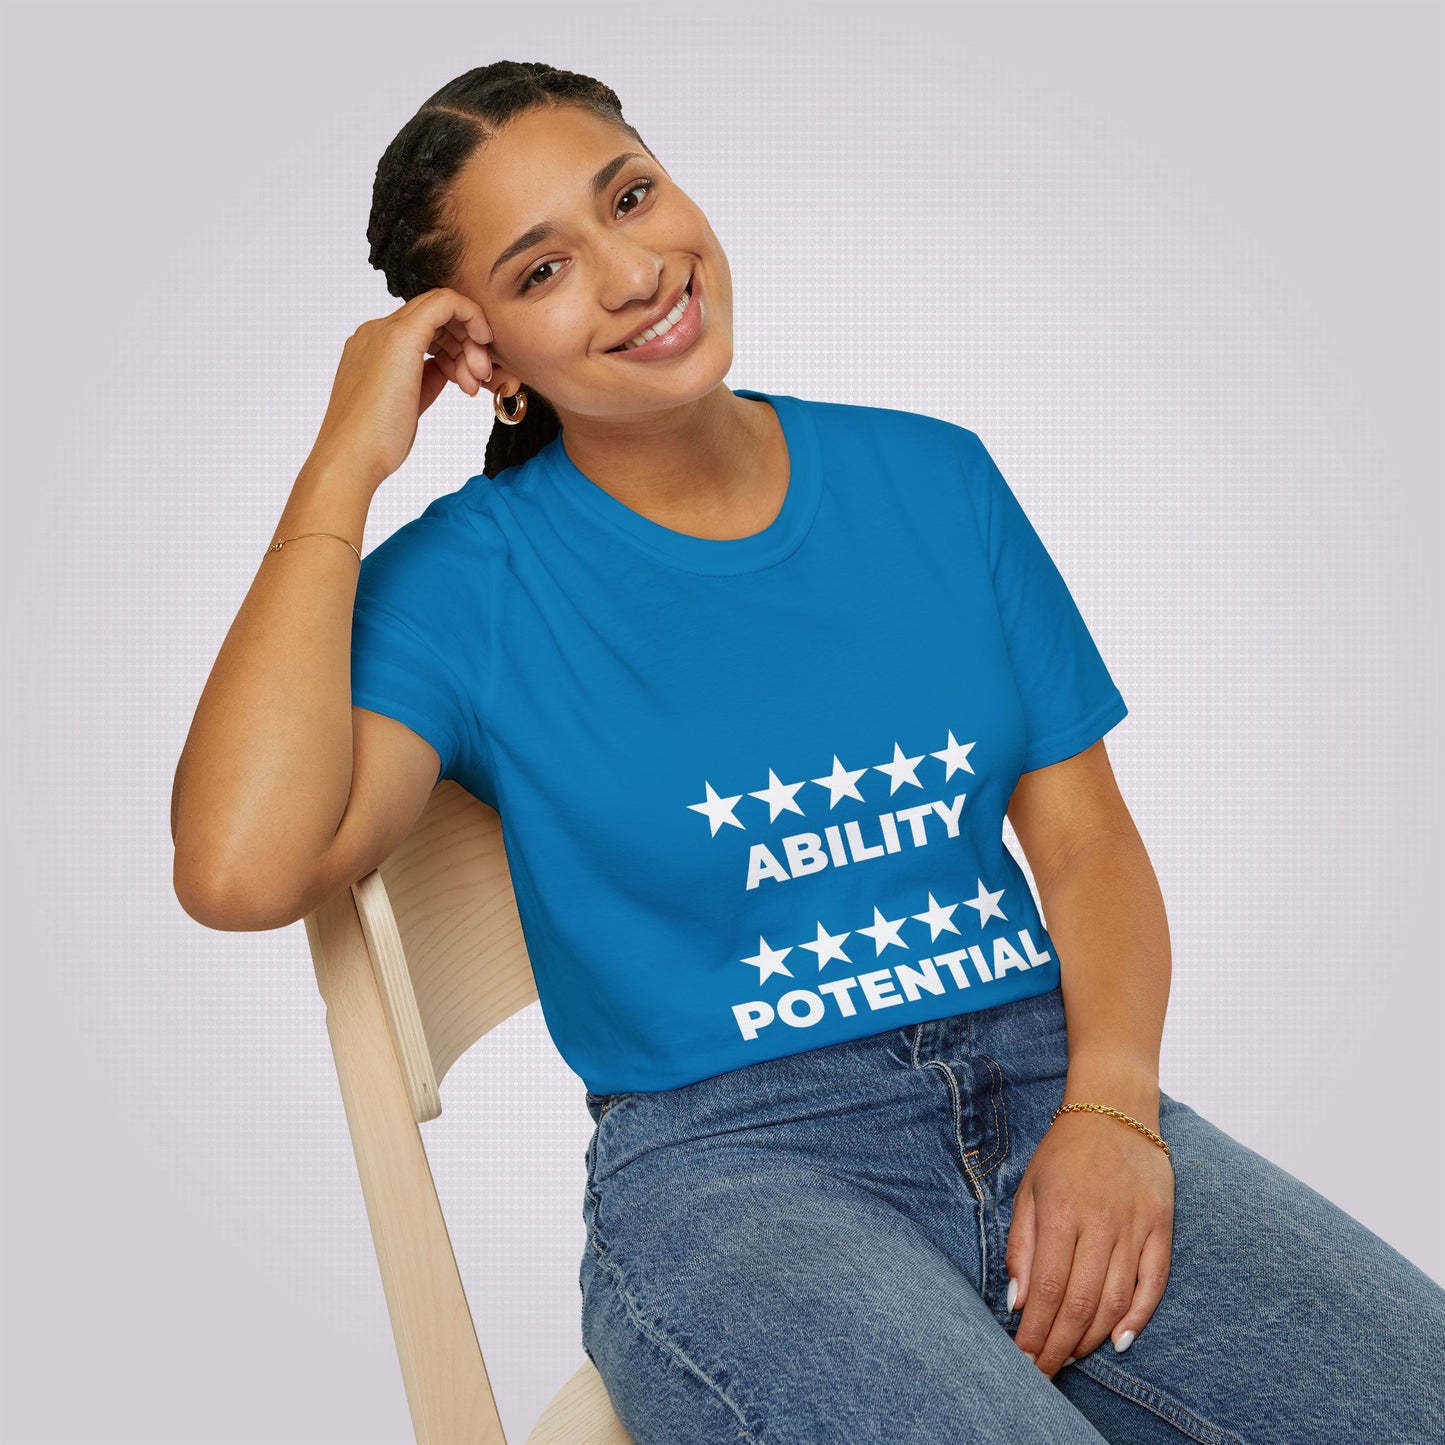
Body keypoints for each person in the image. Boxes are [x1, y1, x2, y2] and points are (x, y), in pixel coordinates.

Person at [170, 59, 1445, 1444]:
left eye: (633, 196)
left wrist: (1114, 1110)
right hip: (734, 1170)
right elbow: (240, 867)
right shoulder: (468, 582)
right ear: (485, 358)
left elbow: (1083, 845)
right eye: (541, 272)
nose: (633, 271)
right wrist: (341, 463)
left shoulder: (933, 477)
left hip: (1049, 1080)